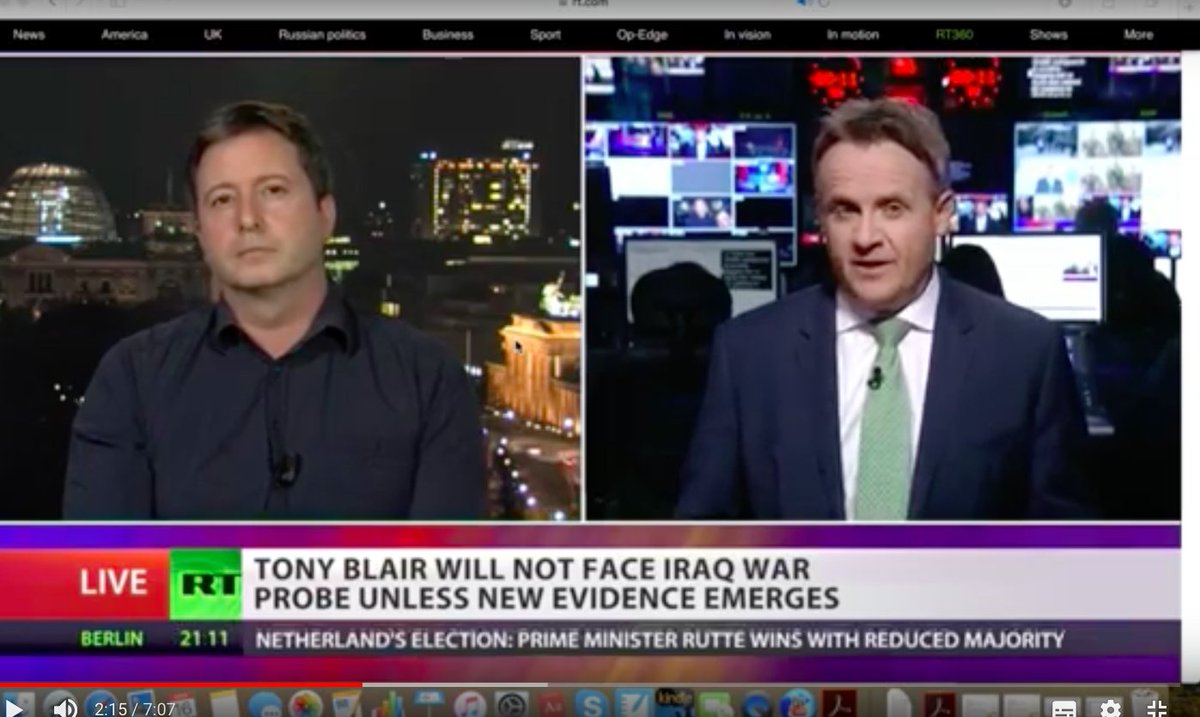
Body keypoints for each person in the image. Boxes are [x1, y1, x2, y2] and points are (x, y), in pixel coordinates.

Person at [63, 100, 487, 519]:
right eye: (222, 200)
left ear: (325, 215)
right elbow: (104, 562)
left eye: (273, 191)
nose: (248, 219)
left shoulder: (427, 379)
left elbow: (444, 562)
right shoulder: (132, 380)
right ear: (201, 233)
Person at [677, 98, 1094, 520]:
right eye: (844, 211)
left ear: (941, 215)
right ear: (821, 220)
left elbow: (1065, 541)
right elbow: (702, 536)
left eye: (892, 209)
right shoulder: (748, 353)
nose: (865, 237)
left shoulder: (1025, 353)